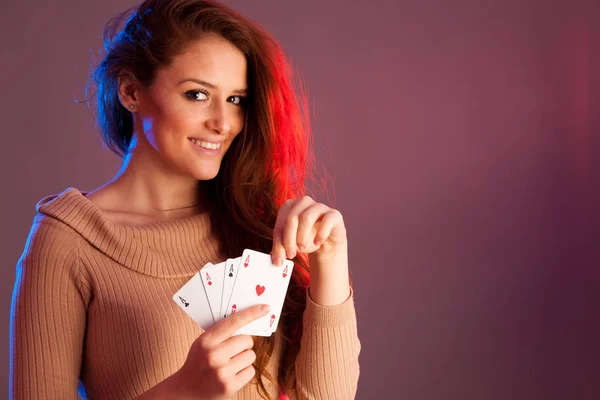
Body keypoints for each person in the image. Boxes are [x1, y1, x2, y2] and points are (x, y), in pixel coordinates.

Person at [9, 0, 361, 399]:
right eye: (197, 94)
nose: (223, 123)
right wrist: (183, 391)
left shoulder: (257, 225)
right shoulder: (70, 239)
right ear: (130, 92)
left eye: (235, 100)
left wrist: (332, 258)